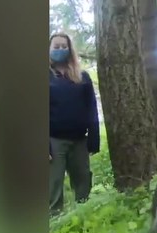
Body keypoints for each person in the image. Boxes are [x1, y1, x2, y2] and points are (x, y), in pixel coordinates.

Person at [49, 32, 100, 214]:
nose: (61, 50)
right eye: (56, 47)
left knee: (83, 182)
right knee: (52, 185)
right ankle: (54, 223)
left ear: (70, 50)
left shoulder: (82, 77)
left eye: (64, 47)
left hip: (79, 140)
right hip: (54, 141)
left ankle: (83, 219)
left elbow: (91, 108)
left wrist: (94, 138)